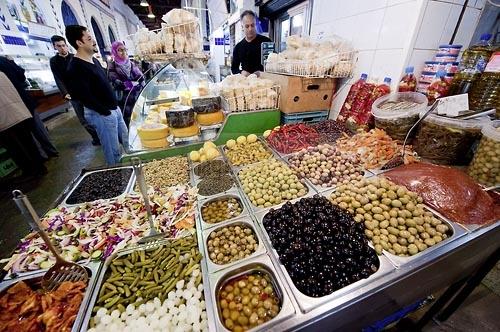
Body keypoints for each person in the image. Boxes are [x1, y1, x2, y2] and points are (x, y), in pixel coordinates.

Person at [65, 25, 129, 166]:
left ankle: (131, 169)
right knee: (113, 151)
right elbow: (83, 96)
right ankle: (116, 178)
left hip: (114, 110)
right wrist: (105, 112)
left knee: (126, 140)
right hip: (102, 115)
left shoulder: (93, 61)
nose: (94, 41)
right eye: (89, 39)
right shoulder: (75, 67)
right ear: (79, 43)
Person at [0, 56, 59, 159]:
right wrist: (12, 62)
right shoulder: (5, 60)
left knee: (28, 133)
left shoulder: (3, 61)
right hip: (24, 99)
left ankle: (42, 156)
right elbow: (22, 77)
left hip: (13, 105)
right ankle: (51, 151)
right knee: (38, 128)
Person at [49, 35, 100, 145]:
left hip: (86, 92)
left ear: (67, 46)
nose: (62, 48)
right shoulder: (54, 61)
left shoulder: (75, 57)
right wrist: (65, 92)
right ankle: (96, 138)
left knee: (95, 114)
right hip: (73, 95)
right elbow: (57, 78)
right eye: (59, 46)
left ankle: (102, 134)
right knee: (83, 119)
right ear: (54, 47)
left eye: (63, 45)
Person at [0, 72, 47, 178]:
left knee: (17, 149)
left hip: (5, 119)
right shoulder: (2, 73)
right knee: (29, 143)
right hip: (19, 112)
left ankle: (31, 173)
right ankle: (41, 168)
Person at [107, 41, 144, 128]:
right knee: (128, 120)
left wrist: (137, 84)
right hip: (124, 100)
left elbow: (140, 77)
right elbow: (117, 83)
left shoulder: (130, 63)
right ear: (115, 52)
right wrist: (134, 85)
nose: (123, 52)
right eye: (120, 50)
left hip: (135, 97)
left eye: (124, 49)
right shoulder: (112, 66)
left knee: (138, 117)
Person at [231, 10, 271, 76]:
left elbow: (274, 64)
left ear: (256, 24)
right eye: (247, 26)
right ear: (242, 27)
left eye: (252, 25)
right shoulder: (238, 47)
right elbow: (234, 69)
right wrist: (241, 72)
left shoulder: (266, 42)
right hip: (247, 83)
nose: (250, 29)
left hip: (265, 82)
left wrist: (262, 73)